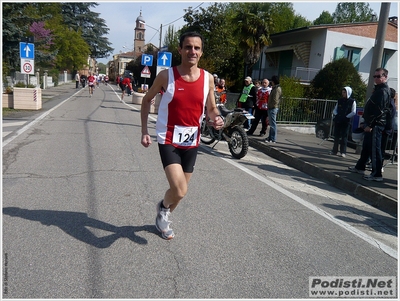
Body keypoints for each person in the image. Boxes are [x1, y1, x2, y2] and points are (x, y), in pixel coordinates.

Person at [140, 32, 224, 240]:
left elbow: (211, 108)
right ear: (180, 50)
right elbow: (146, 100)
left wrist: (217, 118)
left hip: (192, 140)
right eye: (188, 47)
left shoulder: (208, 79)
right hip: (168, 137)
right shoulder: (166, 76)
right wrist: (144, 131)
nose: (192, 51)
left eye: (196, 48)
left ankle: (164, 213)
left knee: (182, 190)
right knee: (178, 189)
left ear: (201, 52)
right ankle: (163, 207)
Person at [348, 67, 391, 182]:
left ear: (385, 77)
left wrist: (370, 125)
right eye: (374, 76)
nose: (376, 78)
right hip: (371, 123)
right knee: (366, 146)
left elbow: (379, 111)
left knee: (375, 149)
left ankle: (376, 174)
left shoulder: (383, 91)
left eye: (378, 76)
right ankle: (360, 167)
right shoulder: (378, 90)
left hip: (376, 125)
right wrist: (365, 122)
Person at [329, 86, 356, 157]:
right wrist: (336, 114)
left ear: (348, 93)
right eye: (342, 92)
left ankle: (343, 152)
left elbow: (353, 112)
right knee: (336, 136)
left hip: (346, 121)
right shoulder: (340, 100)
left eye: (344, 92)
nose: (343, 94)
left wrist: (346, 117)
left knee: (344, 137)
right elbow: (335, 109)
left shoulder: (352, 101)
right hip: (338, 120)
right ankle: (334, 150)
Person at [265, 75, 282, 143]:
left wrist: (271, 106)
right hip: (271, 107)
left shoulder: (277, 89)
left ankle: (273, 138)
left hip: (273, 108)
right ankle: (270, 137)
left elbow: (275, 100)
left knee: (273, 124)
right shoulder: (274, 88)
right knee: (271, 124)